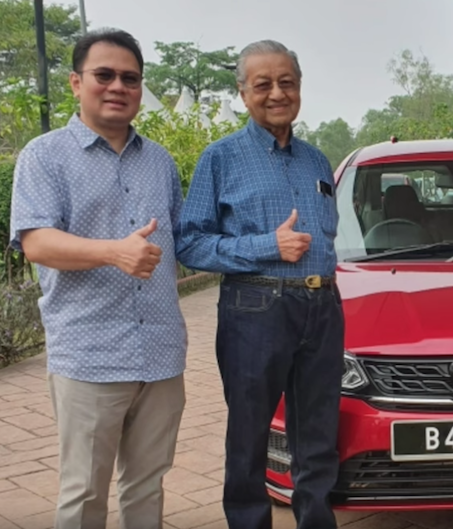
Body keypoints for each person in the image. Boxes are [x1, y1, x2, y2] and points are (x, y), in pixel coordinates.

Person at [8, 28, 187, 529]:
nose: (117, 87)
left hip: (161, 353)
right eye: (103, 75)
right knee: (84, 492)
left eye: (130, 78)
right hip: (89, 354)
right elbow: (35, 242)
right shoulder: (44, 156)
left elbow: (183, 239)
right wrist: (115, 252)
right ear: (75, 82)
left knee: (147, 486)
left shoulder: (161, 162)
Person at [175, 39, 343, 529]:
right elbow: (190, 243)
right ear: (243, 92)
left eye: (286, 82)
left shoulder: (316, 160)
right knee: (249, 438)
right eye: (263, 84)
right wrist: (266, 244)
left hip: (322, 307)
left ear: (299, 88)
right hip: (256, 307)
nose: (276, 93)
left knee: (317, 437)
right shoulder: (220, 158)